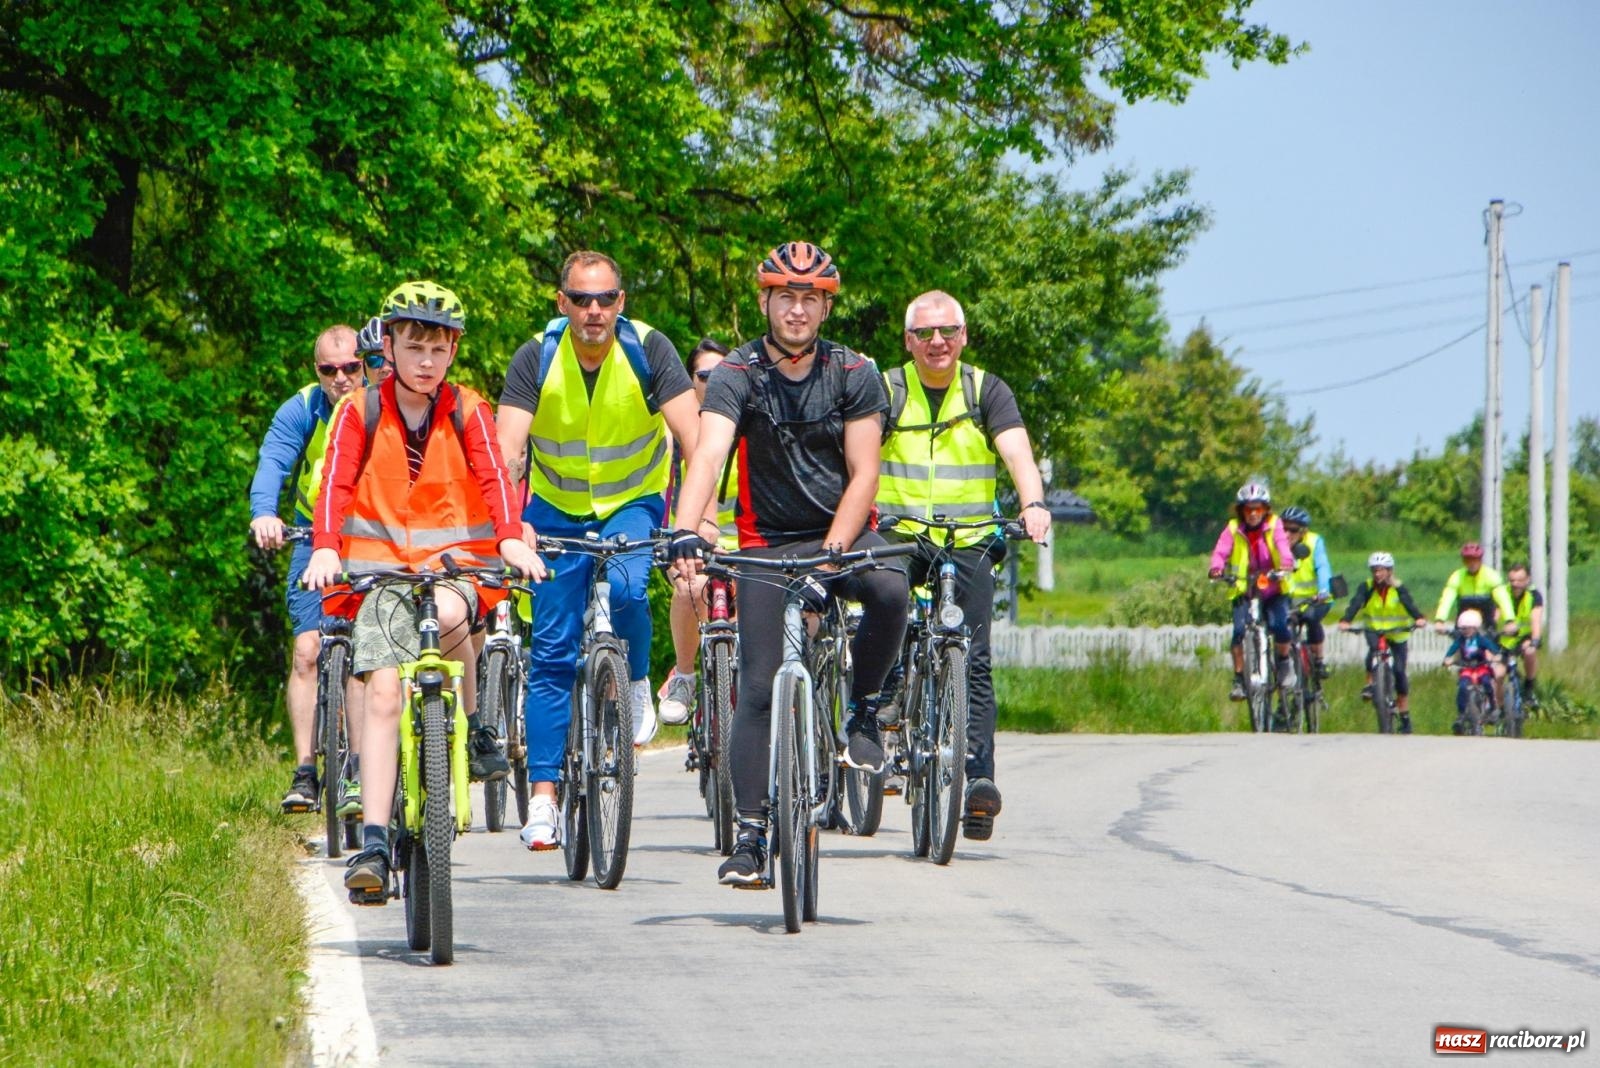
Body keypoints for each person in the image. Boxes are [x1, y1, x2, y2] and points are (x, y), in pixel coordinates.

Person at [670, 241, 909, 886]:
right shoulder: (737, 375)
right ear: (765, 301)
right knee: (756, 683)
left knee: (891, 591)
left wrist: (835, 551)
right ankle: (750, 836)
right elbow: (710, 456)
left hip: (843, 533)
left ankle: (863, 713)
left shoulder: (855, 373)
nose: (797, 310)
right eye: (786, 297)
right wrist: (685, 530)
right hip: (766, 544)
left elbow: (864, 474)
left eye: (810, 298)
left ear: (825, 306)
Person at [303, 280, 543, 901]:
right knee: (383, 689)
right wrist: (326, 545)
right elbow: (334, 483)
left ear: (453, 352)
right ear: (389, 345)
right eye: (414, 346)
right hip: (379, 568)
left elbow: (494, 476)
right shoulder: (360, 409)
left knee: (445, 614)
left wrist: (512, 539)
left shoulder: (469, 409)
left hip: (454, 564)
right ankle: (376, 843)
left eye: (439, 348)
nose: (427, 360)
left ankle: (473, 725)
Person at [495, 251, 699, 852]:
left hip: (632, 501)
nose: (594, 311)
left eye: (606, 298)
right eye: (581, 299)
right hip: (554, 508)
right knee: (552, 654)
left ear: (621, 302)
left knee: (633, 590)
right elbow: (509, 451)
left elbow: (692, 436)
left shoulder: (649, 349)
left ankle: (636, 680)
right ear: (562, 303)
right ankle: (543, 801)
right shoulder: (536, 355)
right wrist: (511, 525)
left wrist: (696, 519)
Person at [876, 290, 1050, 841]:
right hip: (900, 534)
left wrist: (1034, 504)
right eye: (925, 333)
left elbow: (1018, 453)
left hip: (970, 538)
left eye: (948, 331)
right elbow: (854, 458)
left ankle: (978, 781)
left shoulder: (984, 390)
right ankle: (884, 701)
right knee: (887, 607)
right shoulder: (886, 389)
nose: (937, 342)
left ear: (964, 335)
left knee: (973, 656)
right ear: (908, 341)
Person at [249, 323, 370, 814]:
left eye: (351, 368)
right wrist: (264, 512)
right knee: (307, 649)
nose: (341, 378)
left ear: (366, 365)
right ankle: (305, 771)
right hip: (309, 533)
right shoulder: (302, 408)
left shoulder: (383, 404)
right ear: (316, 370)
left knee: (369, 655)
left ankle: (364, 766)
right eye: (329, 369)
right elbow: (274, 461)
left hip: (369, 536)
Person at [659, 337, 735, 727]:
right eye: (705, 375)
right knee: (690, 586)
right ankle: (685, 676)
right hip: (692, 548)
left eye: (724, 374)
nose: (714, 382)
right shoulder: (675, 434)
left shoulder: (749, 428)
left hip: (745, 552)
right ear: (690, 383)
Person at [1207, 483, 1294, 704]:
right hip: (1244, 589)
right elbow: (1221, 551)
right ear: (1241, 511)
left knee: (1279, 626)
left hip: (1273, 587)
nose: (1253, 513)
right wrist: (1217, 568)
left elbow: (1283, 547)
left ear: (1265, 509)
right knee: (1238, 631)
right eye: (1248, 509)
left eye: (1258, 509)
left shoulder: (1275, 524)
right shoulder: (1233, 528)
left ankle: (1284, 662)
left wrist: (1285, 565)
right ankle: (1238, 679)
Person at [1337, 551, 1429, 734]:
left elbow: (1409, 604)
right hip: (1375, 630)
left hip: (1397, 634)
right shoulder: (1367, 587)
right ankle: (1370, 684)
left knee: (1400, 672)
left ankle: (1404, 716)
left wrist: (1418, 618)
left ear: (1389, 571)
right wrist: (1346, 620)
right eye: (1374, 570)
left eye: (1381, 570)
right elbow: (1356, 603)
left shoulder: (1398, 588)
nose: (1377, 574)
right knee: (1372, 651)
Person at [1280, 505, 1333, 679]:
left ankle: (1318, 661)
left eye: (1293, 530)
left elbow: (1322, 567)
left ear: (1303, 530)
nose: (1287, 534)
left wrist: (1323, 590)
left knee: (1311, 618)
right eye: (1284, 528)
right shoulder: (1276, 543)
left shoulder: (1314, 541)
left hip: (1315, 599)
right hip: (1288, 600)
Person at [1434, 542, 1516, 637]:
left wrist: (1509, 620)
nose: (1472, 563)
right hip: (1464, 619)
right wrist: (1440, 620)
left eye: (1475, 560)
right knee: (1458, 646)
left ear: (1480, 560)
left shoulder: (1491, 575)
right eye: (1468, 560)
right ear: (1464, 561)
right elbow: (1446, 599)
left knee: (1490, 648)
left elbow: (1503, 599)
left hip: (1486, 619)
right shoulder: (1457, 576)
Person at [1442, 608, 1504, 734]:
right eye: (1463, 629)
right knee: (1463, 687)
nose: (1465, 631)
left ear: (1475, 628)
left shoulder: (1481, 640)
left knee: (1487, 682)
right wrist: (1448, 658)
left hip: (1481, 667)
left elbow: (1491, 648)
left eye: (1468, 628)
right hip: (1467, 668)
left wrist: (1497, 655)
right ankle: (1461, 714)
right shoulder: (1460, 640)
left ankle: (1492, 706)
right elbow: (1453, 649)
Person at [1504, 562, 1544, 708]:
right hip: (1504, 637)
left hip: (1525, 637)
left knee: (1530, 652)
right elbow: (1494, 615)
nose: (1516, 584)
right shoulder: (1502, 593)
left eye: (1520, 580)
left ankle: (1529, 687)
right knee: (1496, 669)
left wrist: (1535, 639)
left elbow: (1536, 620)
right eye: (1512, 580)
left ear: (1527, 579)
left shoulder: (1534, 595)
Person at [355, 315, 392, 383]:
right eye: (374, 360)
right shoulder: (357, 393)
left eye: (393, 359)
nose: (385, 368)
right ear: (364, 367)